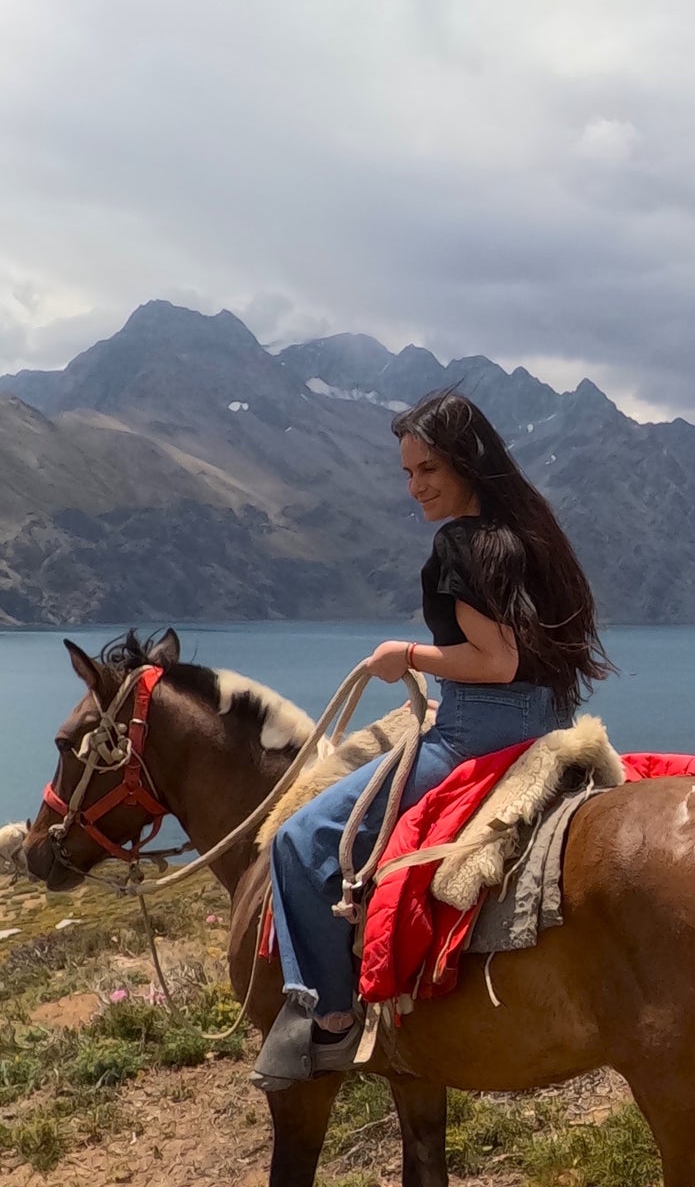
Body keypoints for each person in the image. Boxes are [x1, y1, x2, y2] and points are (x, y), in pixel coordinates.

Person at [258, 388, 610, 1084]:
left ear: (466, 465)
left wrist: (406, 656)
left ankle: (328, 1020)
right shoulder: (527, 535)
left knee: (301, 840)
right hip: (543, 722)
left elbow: (496, 660)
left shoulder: (459, 544)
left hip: (474, 735)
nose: (416, 487)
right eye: (408, 473)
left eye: (429, 471)